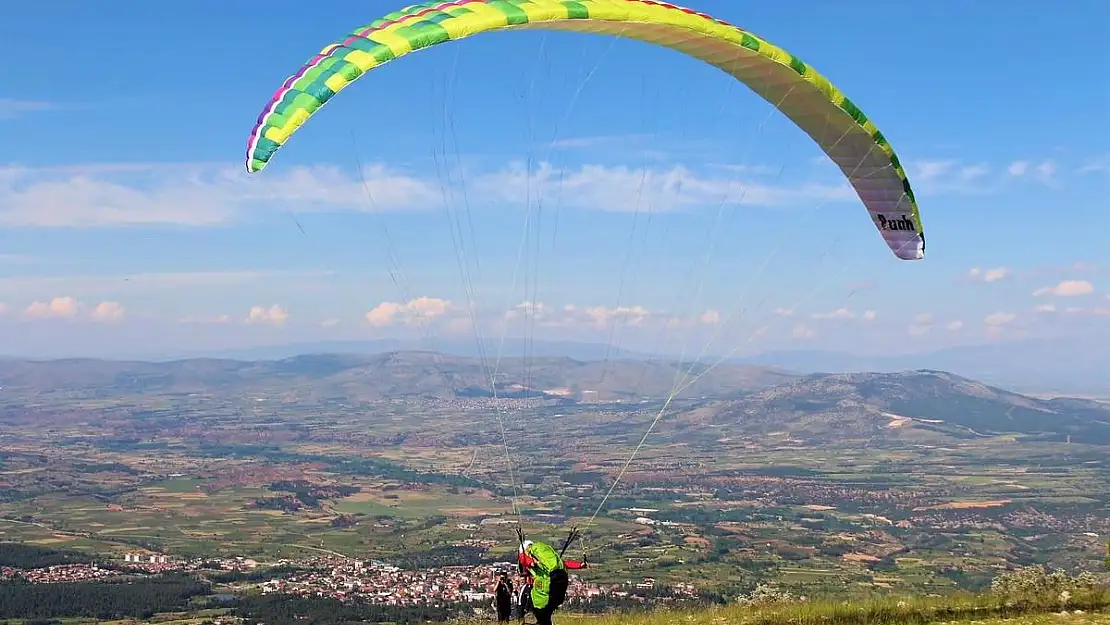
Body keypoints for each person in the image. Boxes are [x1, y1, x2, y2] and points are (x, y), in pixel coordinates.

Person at [517, 539, 587, 625]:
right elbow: (563, 563)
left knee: (537, 610)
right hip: (555, 585)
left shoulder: (528, 556)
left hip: (540, 589)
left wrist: (531, 564)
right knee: (545, 614)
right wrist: (580, 565)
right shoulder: (546, 560)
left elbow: (523, 560)